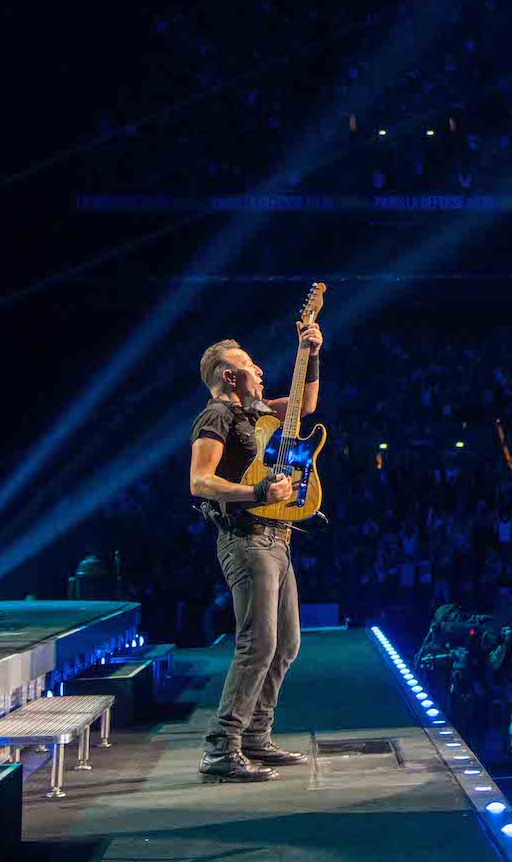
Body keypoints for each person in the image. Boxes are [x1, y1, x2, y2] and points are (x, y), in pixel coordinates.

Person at [190, 322, 322, 781]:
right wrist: (259, 492)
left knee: (286, 643)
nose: (261, 370)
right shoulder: (217, 417)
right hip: (246, 540)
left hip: (278, 538)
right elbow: (200, 482)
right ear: (228, 376)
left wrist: (312, 351)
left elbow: (304, 406)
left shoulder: (256, 412)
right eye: (249, 365)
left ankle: (255, 737)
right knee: (258, 642)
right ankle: (220, 746)